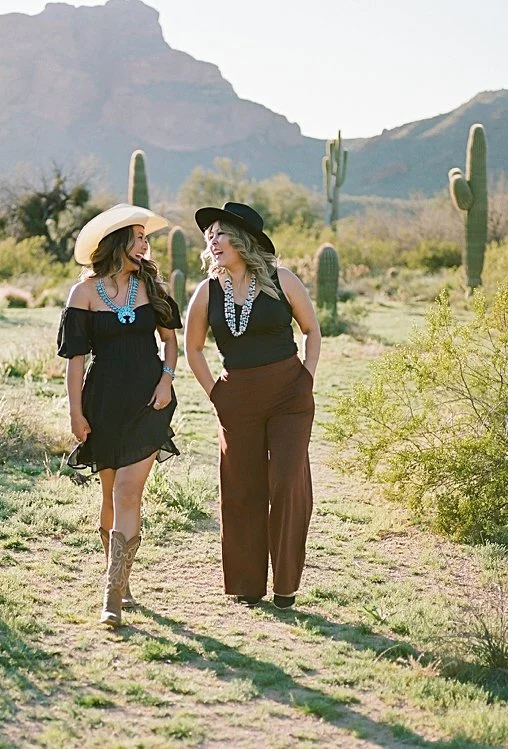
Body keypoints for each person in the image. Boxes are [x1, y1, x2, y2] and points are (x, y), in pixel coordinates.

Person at [184, 202, 320, 610]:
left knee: (286, 481)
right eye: (209, 236)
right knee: (242, 488)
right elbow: (192, 349)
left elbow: (311, 331)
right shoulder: (207, 292)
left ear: (243, 241)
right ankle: (247, 583)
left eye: (220, 233)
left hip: (289, 395)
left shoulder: (282, 280)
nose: (213, 240)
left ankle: (286, 584)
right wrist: (216, 393)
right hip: (236, 397)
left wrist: (306, 378)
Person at [56, 203, 182, 628]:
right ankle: (120, 577)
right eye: (140, 238)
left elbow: (170, 344)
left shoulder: (153, 288)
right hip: (104, 401)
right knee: (109, 499)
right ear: (119, 244)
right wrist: (75, 411)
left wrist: (166, 382)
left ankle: (111, 595)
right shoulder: (85, 293)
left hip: (149, 401)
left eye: (147, 238)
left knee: (129, 493)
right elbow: (75, 360)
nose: (146, 245)